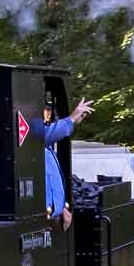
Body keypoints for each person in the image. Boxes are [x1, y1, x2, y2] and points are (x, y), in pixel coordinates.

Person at [35, 95, 96, 225]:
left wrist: (60, 207)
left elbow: (50, 180)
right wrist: (71, 118)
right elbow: (40, 135)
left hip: (52, 217)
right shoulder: (35, 142)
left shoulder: (46, 151)